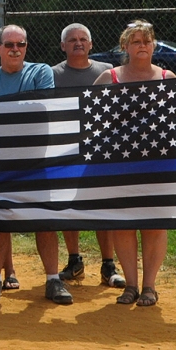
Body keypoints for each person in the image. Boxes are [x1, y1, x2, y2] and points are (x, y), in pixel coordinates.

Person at [94, 20, 176, 307]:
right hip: (120, 165)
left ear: (154, 45)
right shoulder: (110, 78)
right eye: (136, 41)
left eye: (146, 40)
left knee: (155, 225)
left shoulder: (169, 77)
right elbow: (90, 117)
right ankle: (130, 285)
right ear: (125, 47)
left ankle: (149, 286)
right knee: (123, 224)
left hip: (160, 166)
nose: (142, 45)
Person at [0, 24, 71, 305]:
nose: (15, 49)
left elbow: (42, 108)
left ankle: (53, 280)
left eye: (21, 44)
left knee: (45, 220)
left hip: (38, 160)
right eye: (10, 45)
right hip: (0, 164)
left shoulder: (41, 72)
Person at [50, 23, 124, 287]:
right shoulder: (53, 74)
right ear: (62, 46)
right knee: (69, 206)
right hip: (67, 150)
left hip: (101, 151)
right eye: (71, 40)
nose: (78, 43)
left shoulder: (108, 72)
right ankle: (74, 261)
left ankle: (108, 265)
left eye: (83, 39)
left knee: (102, 207)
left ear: (91, 44)